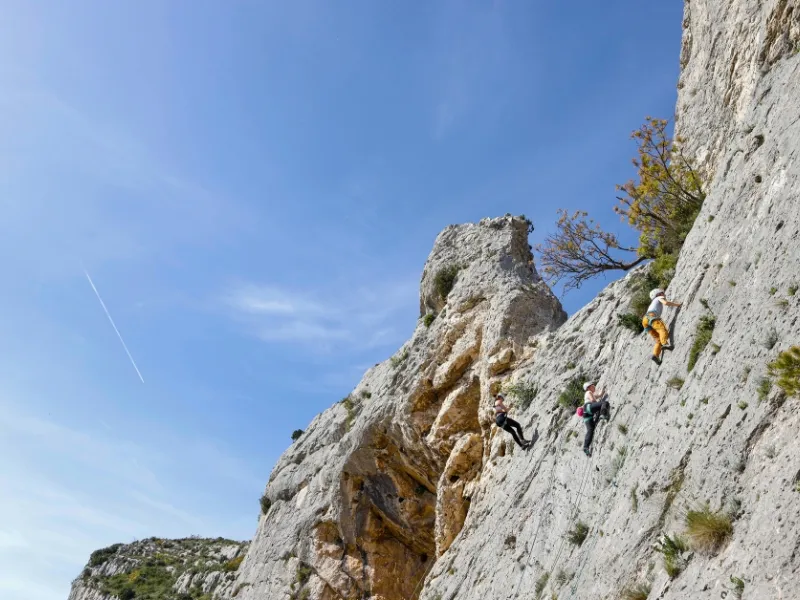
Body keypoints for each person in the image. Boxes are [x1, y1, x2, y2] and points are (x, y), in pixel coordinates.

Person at [643, 288, 683, 365]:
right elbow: (665, 303)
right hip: (651, 316)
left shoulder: (652, 303)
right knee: (662, 329)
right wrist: (677, 305)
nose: (664, 294)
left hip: (645, 321)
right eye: (662, 293)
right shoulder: (659, 298)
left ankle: (656, 355)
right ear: (658, 294)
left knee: (658, 340)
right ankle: (665, 344)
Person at [576, 382, 610, 457]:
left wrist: (601, 393)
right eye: (592, 385)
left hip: (586, 415)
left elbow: (597, 396)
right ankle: (603, 414)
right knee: (605, 403)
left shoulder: (589, 394)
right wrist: (598, 404)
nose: (594, 386)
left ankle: (586, 447)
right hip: (588, 407)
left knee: (590, 430)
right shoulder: (588, 392)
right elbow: (593, 400)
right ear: (588, 387)